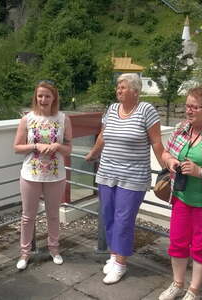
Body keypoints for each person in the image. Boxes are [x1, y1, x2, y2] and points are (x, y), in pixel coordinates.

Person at [85, 73, 164, 284]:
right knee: (108, 216)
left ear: (135, 91)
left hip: (133, 176)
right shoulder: (111, 109)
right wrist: (93, 153)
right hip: (107, 172)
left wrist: (166, 165)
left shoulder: (146, 110)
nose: (118, 90)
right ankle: (113, 255)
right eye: (118, 87)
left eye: (123, 87)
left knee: (124, 220)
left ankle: (121, 264)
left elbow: (156, 142)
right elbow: (103, 135)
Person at [159, 86, 202, 300]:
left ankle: (194, 290)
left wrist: (201, 171)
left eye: (194, 107)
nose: (188, 111)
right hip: (181, 197)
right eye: (187, 106)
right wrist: (170, 161)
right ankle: (178, 284)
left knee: (200, 246)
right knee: (177, 241)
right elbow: (165, 152)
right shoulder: (182, 127)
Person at [13, 80, 72, 270]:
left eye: (47, 95)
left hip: (56, 175)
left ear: (54, 97)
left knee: (53, 215)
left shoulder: (64, 119)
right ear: (35, 97)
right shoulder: (27, 119)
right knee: (27, 216)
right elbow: (17, 147)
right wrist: (35, 146)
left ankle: (54, 249)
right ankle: (24, 253)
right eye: (40, 95)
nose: (43, 99)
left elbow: (69, 149)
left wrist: (58, 146)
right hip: (30, 174)